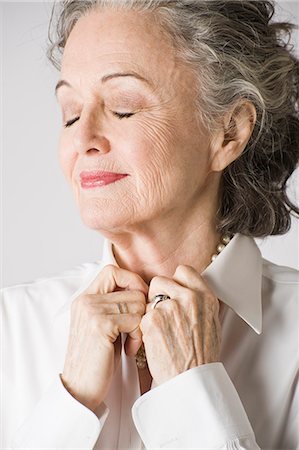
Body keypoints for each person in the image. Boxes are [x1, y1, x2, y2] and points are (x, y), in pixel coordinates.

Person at [1, 0, 299, 448]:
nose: (81, 139)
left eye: (122, 108)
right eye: (70, 113)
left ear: (229, 132)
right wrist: (70, 402)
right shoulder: (10, 327)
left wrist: (194, 394)